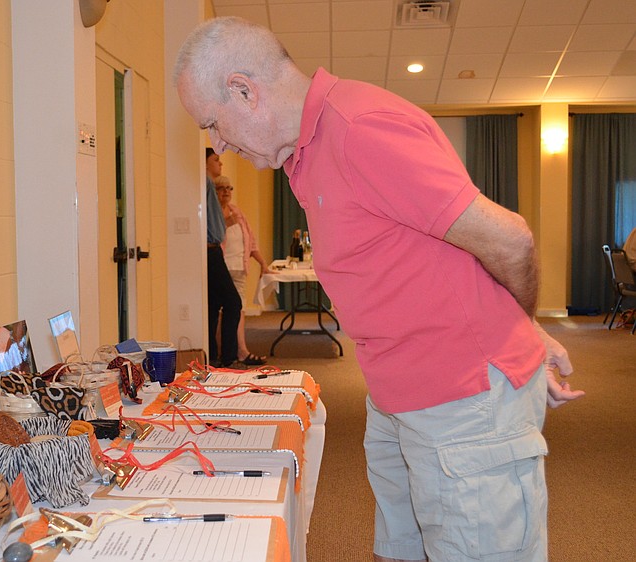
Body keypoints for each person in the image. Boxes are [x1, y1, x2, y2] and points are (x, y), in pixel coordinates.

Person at [175, 17, 585, 562]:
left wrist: (520, 334)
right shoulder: (304, 155)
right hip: (397, 396)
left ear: (244, 90)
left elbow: (511, 241)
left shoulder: (360, 128)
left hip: (463, 401)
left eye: (212, 123)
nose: (217, 143)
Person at [215, 175, 274, 365]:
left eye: (229, 188)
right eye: (221, 188)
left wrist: (263, 264)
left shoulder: (237, 212)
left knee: (238, 309)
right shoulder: (213, 213)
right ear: (213, 191)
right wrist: (226, 222)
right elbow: (213, 236)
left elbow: (251, 240)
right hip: (222, 268)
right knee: (224, 311)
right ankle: (224, 351)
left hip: (239, 268)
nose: (226, 192)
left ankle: (241, 350)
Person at [205, 148, 242, 368]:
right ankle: (229, 357)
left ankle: (214, 356)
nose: (220, 164)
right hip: (211, 250)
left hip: (210, 250)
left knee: (213, 304)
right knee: (233, 302)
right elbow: (213, 222)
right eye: (216, 160)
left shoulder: (207, 184)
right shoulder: (208, 184)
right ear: (206, 162)